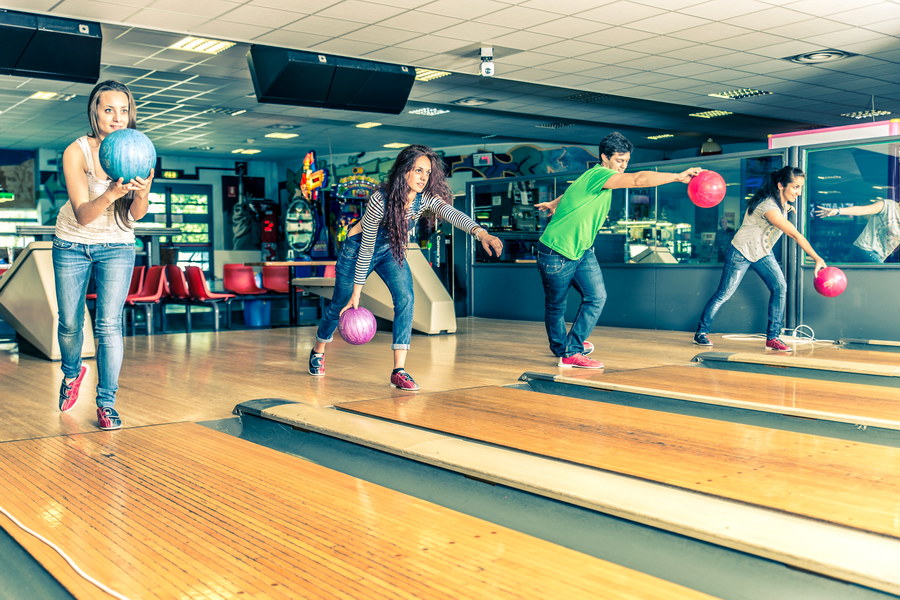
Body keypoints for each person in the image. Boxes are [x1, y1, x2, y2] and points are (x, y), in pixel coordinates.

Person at [308, 144, 503, 390]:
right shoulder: (380, 199)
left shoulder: (425, 199)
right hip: (358, 248)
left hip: (390, 250)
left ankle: (398, 371)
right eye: (418, 170)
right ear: (404, 171)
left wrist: (481, 233)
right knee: (341, 302)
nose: (424, 177)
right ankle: (318, 349)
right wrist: (357, 292)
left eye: (428, 172)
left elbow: (452, 214)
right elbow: (367, 246)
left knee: (406, 299)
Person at [534, 132, 701, 368]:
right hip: (556, 251)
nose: (624, 166)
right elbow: (638, 180)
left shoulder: (592, 176)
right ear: (605, 157)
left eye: (627, 161)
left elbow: (572, 192)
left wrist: (553, 203)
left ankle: (571, 347)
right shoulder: (601, 174)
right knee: (556, 305)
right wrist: (676, 177)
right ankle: (563, 349)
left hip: (582, 251)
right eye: (619, 161)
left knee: (596, 297)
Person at [54, 80, 153, 430]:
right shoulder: (76, 152)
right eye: (108, 109)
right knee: (69, 322)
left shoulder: (140, 152)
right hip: (71, 243)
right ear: (94, 111)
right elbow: (83, 214)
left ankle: (107, 403)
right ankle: (71, 372)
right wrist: (112, 192)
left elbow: (137, 214)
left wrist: (141, 192)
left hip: (117, 246)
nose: (116, 118)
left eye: (123, 110)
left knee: (109, 326)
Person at [694, 166, 826, 352]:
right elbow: (795, 234)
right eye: (795, 187)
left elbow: (780, 210)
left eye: (801, 187)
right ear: (781, 185)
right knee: (724, 293)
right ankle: (701, 332)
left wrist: (786, 207)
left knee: (780, 287)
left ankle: (773, 337)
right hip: (741, 251)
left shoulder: (778, 204)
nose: (799, 192)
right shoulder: (768, 207)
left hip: (762, 251)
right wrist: (817, 258)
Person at [815, 199, 900, 263]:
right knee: (884, 276)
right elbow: (862, 210)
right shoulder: (888, 206)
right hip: (864, 249)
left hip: (880, 256)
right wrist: (838, 211)